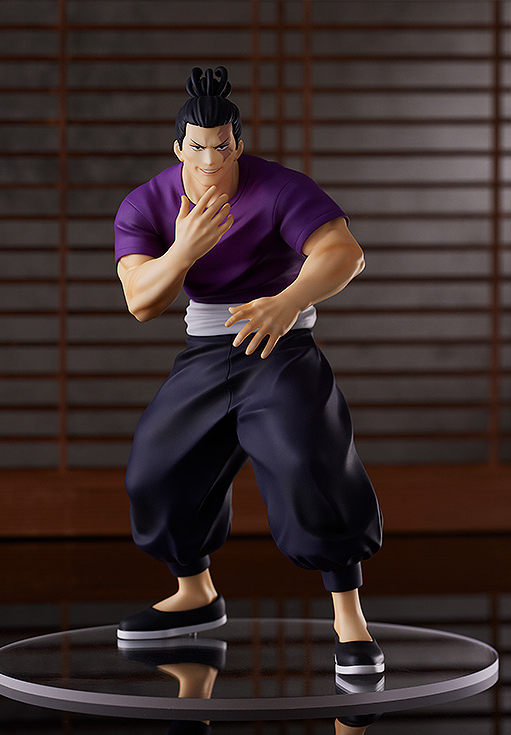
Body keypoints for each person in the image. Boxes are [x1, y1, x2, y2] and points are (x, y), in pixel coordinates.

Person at [114, 66, 384, 675]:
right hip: (206, 351)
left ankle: (350, 619)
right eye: (198, 147)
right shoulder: (147, 203)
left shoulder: (280, 188)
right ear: (179, 148)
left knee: (310, 462)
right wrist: (183, 250)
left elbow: (344, 252)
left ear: (237, 143)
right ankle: (195, 593)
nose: (210, 159)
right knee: (156, 468)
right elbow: (141, 302)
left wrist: (289, 300)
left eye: (222, 146)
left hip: (279, 345)